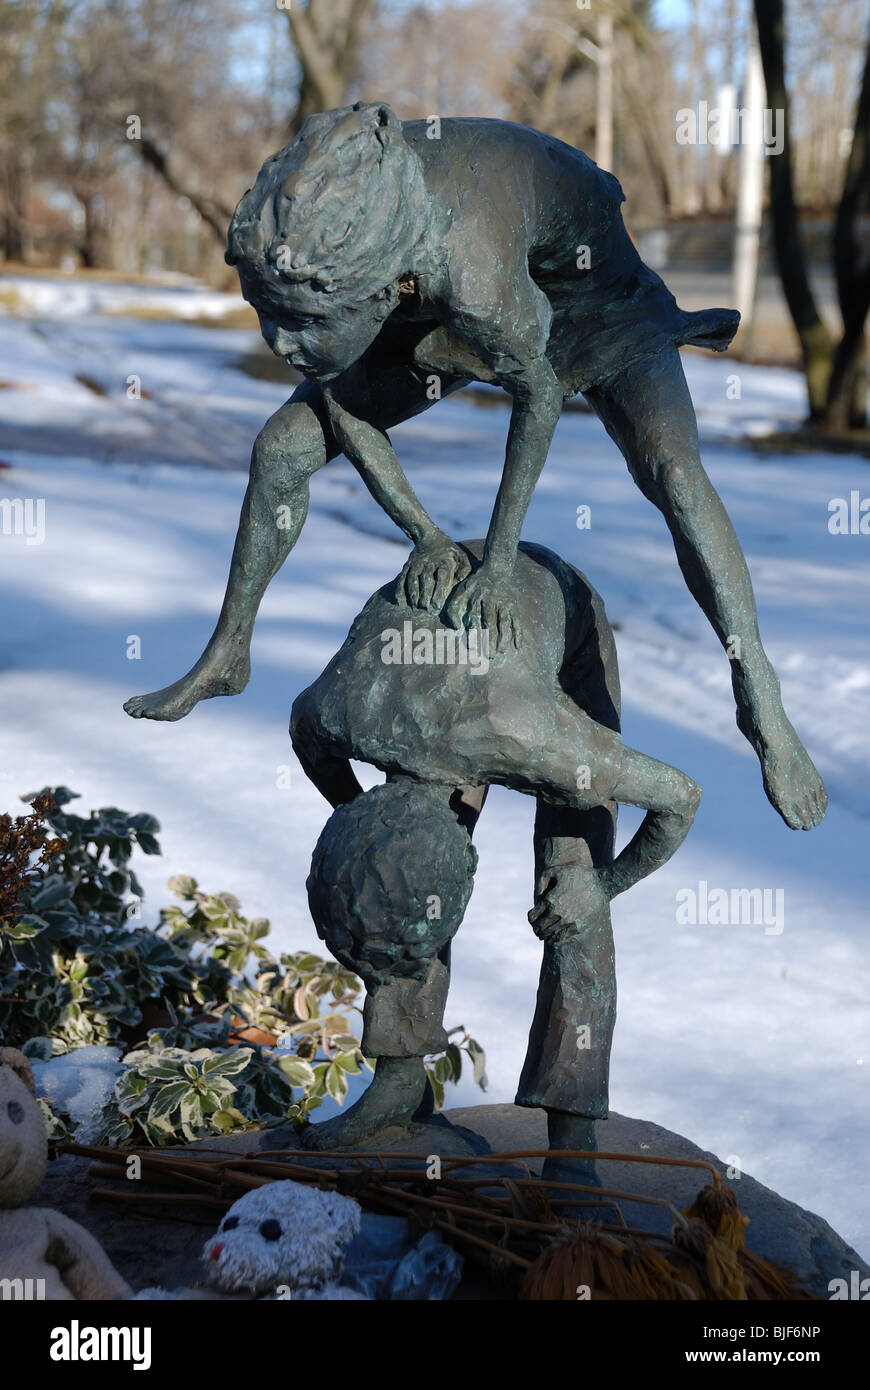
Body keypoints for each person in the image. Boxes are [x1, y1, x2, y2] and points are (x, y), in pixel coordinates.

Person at [124, 101, 826, 834]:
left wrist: (494, 562)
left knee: (675, 476)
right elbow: (341, 401)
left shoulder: (468, 266)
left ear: (358, 290)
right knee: (280, 451)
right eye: (269, 319)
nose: (281, 346)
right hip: (445, 314)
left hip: (592, 301)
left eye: (300, 324)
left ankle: (760, 696)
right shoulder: (361, 251)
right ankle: (228, 652)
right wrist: (425, 534)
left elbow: (540, 394)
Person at [291, 541, 700, 1182]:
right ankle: (399, 1085)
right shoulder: (333, 714)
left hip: (553, 621)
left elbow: (681, 799)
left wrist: (604, 886)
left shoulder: (546, 745)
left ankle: (572, 1139)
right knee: (385, 888)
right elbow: (311, 744)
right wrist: (362, 828)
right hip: (437, 674)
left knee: (572, 875)